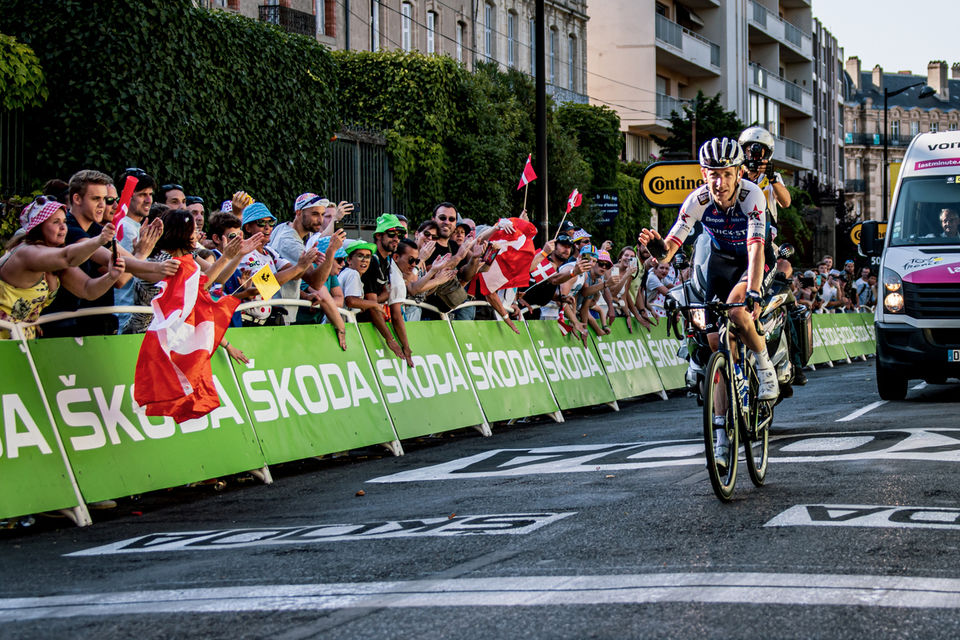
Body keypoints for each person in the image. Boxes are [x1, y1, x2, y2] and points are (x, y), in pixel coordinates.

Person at [639, 138, 778, 449]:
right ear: (704, 174)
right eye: (713, 174)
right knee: (715, 342)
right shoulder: (697, 200)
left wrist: (754, 290)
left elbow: (755, 251)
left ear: (739, 173)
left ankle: (764, 363)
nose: (720, 182)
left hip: (752, 261)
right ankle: (720, 435)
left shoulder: (752, 195)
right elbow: (673, 245)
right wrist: (658, 250)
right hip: (719, 262)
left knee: (736, 311)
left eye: (727, 174)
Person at [0, 198, 125, 339]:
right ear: (38, 227)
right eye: (55, 222)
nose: (63, 227)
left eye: (64, 221)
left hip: (19, 339)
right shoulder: (27, 252)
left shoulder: (53, 260)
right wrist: (99, 240)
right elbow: (68, 257)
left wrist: (111, 276)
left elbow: (88, 289)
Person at [339, 241, 407, 362]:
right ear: (349, 260)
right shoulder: (353, 274)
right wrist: (374, 304)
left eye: (368, 257)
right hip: (341, 326)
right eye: (360, 256)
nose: (364, 260)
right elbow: (351, 301)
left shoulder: (351, 274)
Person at [114, 168, 156, 333]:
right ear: (126, 196)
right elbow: (123, 277)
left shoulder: (136, 226)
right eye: (141, 194)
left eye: (150, 194)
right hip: (128, 317)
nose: (148, 200)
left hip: (140, 316)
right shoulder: (124, 226)